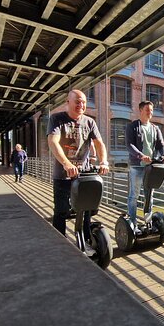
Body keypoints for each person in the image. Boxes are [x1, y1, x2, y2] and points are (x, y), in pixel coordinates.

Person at [47, 89, 109, 247]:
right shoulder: (57, 119)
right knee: (61, 211)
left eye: (83, 102)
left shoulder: (89, 122)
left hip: (84, 174)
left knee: (87, 209)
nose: (81, 105)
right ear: (68, 102)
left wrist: (104, 162)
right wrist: (66, 163)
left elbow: (99, 144)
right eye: (77, 101)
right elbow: (53, 142)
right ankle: (60, 244)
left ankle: (88, 240)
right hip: (63, 174)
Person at [126, 100, 164, 230]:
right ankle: (132, 223)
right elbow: (129, 145)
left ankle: (148, 222)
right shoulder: (133, 126)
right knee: (134, 195)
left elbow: (161, 145)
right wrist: (140, 155)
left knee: (149, 195)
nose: (150, 112)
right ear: (140, 110)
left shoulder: (155, 128)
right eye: (147, 110)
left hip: (151, 167)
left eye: (151, 110)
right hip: (137, 166)